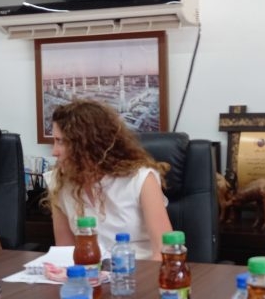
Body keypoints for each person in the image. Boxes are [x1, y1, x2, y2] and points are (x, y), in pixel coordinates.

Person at [44, 99, 173, 260]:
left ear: (88, 144)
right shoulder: (59, 183)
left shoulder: (140, 179)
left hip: (139, 270)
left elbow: (164, 252)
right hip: (90, 272)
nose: (54, 152)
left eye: (61, 141)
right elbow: (65, 253)